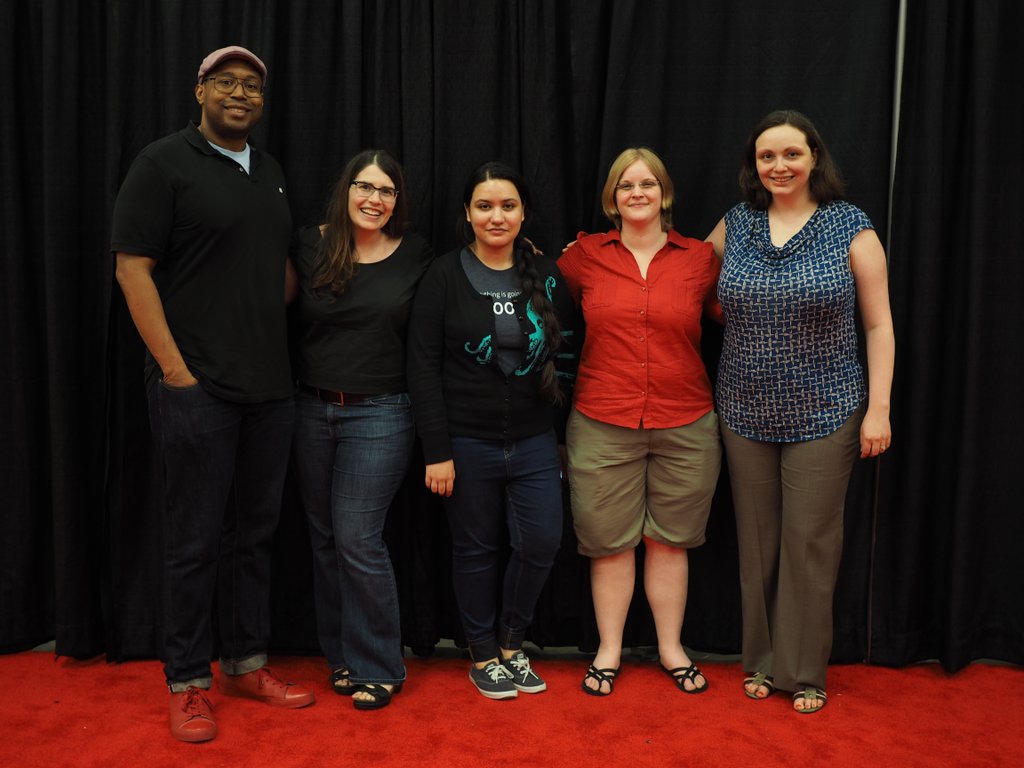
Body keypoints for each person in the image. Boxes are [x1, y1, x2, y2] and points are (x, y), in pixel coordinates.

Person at [111, 46, 315, 743]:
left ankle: (246, 663)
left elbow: (273, 271)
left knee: (253, 537)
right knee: (193, 542)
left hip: (270, 388)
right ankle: (188, 681)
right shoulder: (163, 163)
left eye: (252, 85)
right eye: (225, 81)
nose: (240, 93)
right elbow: (132, 270)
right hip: (195, 386)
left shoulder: (271, 172)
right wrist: (175, 370)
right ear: (199, 91)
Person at [706, 109, 895, 714]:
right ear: (754, 165)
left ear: (814, 157)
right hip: (743, 408)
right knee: (757, 544)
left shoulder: (850, 225)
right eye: (767, 156)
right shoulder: (737, 223)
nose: (779, 165)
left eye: (791, 153)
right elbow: (685, 277)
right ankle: (762, 663)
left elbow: (879, 324)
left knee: (810, 543)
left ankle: (804, 672)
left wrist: (879, 409)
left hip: (828, 409)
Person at [406, 161, 576, 700]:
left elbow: (567, 357)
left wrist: (560, 437)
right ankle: (482, 652)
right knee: (474, 549)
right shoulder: (442, 275)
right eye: (484, 206)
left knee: (542, 542)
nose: (496, 216)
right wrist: (437, 450)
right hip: (465, 442)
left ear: (523, 213)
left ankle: (511, 642)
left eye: (507, 206)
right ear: (467, 213)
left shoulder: (547, 274)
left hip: (534, 441)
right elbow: (422, 368)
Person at [559, 148, 723, 697]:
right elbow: (542, 293)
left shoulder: (700, 259)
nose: (637, 193)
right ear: (612, 198)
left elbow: (733, 311)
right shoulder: (584, 257)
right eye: (626, 185)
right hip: (602, 418)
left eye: (647, 183)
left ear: (664, 193)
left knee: (670, 542)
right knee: (609, 543)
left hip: (686, 421)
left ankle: (672, 649)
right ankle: (608, 650)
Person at [288, 150, 433, 710]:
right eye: (365, 187)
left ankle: (380, 666)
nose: (375, 199)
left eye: (387, 191)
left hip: (381, 413)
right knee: (323, 539)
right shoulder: (309, 244)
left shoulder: (415, 254)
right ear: (345, 190)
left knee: (357, 538)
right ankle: (342, 658)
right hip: (310, 409)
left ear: (398, 201)